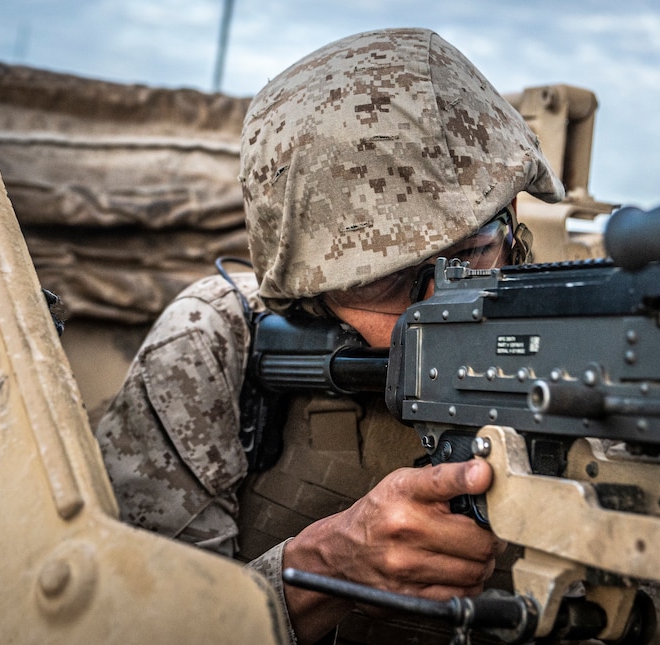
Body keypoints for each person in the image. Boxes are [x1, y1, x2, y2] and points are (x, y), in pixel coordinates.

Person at [94, 27, 564, 644]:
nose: (432, 311)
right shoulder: (218, 342)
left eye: (468, 259)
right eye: (379, 283)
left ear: (510, 229)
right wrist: (318, 571)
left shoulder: (586, 337)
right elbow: (129, 623)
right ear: (306, 288)